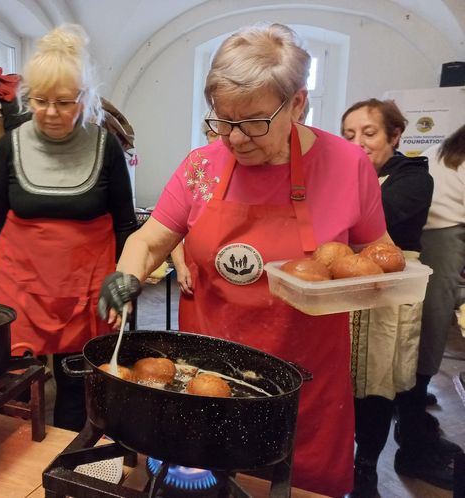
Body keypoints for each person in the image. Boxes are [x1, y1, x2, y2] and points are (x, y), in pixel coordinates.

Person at [99, 23, 394, 497]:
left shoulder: (347, 165)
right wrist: (124, 275)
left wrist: (356, 286)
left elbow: (377, 256)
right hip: (207, 379)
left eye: (254, 122)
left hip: (306, 382)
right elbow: (150, 239)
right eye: (222, 120)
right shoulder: (201, 166)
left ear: (298, 103)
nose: (235, 139)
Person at [0, 24, 137, 431]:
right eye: (40, 101)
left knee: (76, 382)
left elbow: (125, 226)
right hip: (22, 286)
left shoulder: (107, 147)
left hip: (85, 289)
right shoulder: (12, 145)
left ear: (85, 99)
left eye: (64, 102)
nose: (49, 112)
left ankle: (67, 467)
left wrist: (126, 288)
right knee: (16, 382)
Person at [341, 99, 434, 497]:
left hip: (387, 297)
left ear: (395, 136)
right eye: (348, 135)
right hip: (341, 289)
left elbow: (377, 216)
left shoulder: (413, 178)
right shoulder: (343, 177)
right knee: (339, 383)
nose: (357, 143)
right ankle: (334, 459)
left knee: (375, 385)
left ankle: (366, 469)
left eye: (368, 133)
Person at [398, 123, 465, 489]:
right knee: (427, 339)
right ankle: (413, 450)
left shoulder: (453, 146)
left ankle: (417, 428)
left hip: (434, 233)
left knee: (421, 338)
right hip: (441, 236)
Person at [171, 109, 221, 296]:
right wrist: (180, 265)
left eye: (223, 135)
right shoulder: (196, 167)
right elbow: (172, 226)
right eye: (212, 135)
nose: (218, 142)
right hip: (197, 277)